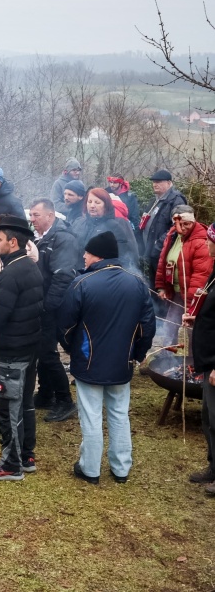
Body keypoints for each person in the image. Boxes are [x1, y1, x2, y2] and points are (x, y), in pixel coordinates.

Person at [58, 231, 156, 484]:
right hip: (122, 362)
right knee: (119, 414)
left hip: (89, 362)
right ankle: (121, 468)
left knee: (91, 415)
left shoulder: (82, 284)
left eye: (87, 253)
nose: (83, 256)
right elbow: (147, 327)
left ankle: (90, 469)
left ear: (98, 255)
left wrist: (72, 349)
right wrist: (138, 353)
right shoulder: (136, 283)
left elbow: (65, 326)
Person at [0, 214, 44, 481]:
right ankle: (26, 455)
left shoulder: (12, 273)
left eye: (0, 239)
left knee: (10, 407)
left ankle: (11, 465)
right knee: (25, 404)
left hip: (14, 351)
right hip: (27, 347)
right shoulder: (29, 267)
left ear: (13, 242)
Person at [27, 198, 79, 423]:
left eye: (36, 215)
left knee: (47, 352)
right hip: (41, 303)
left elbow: (63, 276)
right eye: (31, 215)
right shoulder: (39, 238)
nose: (32, 219)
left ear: (50, 216)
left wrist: (47, 306)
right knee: (41, 351)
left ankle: (65, 401)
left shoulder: (63, 239)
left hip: (52, 306)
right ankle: (46, 393)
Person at [183, 222, 215, 496]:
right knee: (208, 418)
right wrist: (197, 317)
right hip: (206, 360)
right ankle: (212, 466)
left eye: (210, 239)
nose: (206, 244)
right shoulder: (214, 273)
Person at [154, 206, 213, 347]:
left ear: (193, 222)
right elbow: (163, 261)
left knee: (188, 331)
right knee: (170, 329)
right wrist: (161, 287)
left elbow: (201, 276)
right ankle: (167, 361)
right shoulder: (172, 235)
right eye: (178, 224)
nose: (182, 227)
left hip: (191, 297)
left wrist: (190, 307)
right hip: (176, 292)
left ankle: (192, 364)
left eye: (186, 223)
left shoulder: (200, 241)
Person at [70, 188, 139, 271]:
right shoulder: (79, 223)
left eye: (97, 202)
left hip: (101, 274)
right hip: (77, 273)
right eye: (89, 202)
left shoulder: (114, 227)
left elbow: (122, 256)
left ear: (106, 206)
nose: (92, 206)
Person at [141, 169, 188, 291]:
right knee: (154, 285)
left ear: (168, 183)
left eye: (158, 182)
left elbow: (178, 227)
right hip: (152, 252)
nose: (154, 184)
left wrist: (160, 244)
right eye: (153, 182)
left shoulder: (176, 200)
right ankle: (155, 309)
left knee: (163, 287)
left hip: (163, 253)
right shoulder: (154, 200)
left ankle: (163, 309)